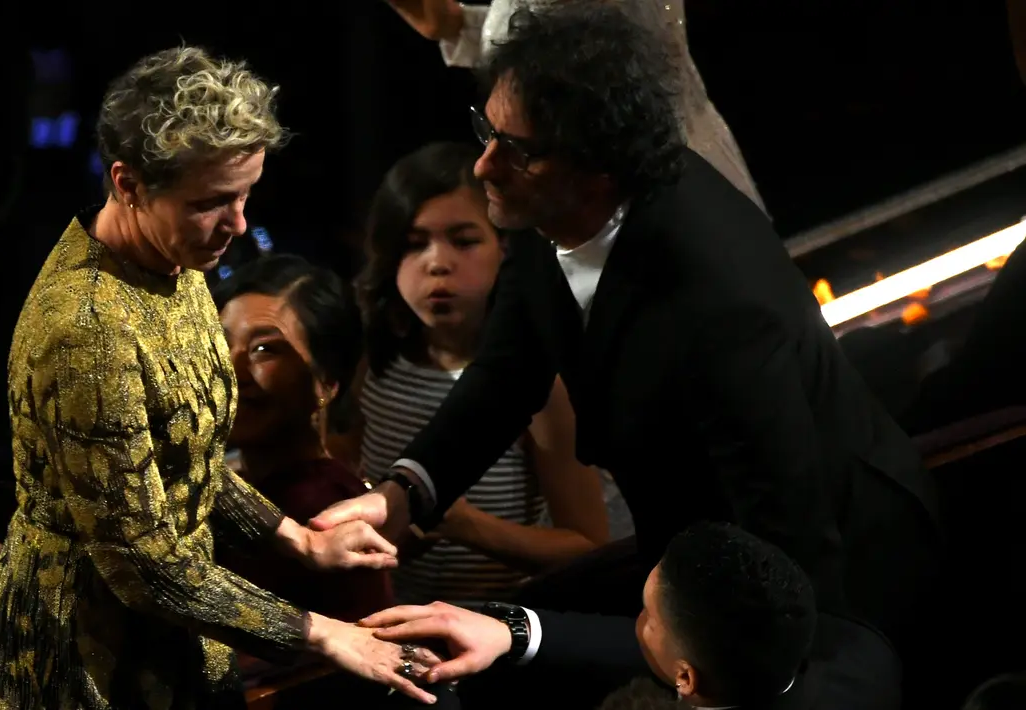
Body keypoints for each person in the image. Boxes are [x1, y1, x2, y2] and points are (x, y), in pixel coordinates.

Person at [313, 0, 939, 648]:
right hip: (699, 554)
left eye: (515, 150)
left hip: (839, 581)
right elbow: (506, 373)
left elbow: (786, 532)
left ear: (597, 172)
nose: (483, 166)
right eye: (485, 131)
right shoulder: (542, 202)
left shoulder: (717, 300)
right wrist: (403, 495)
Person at [0, 47, 441, 709]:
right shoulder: (89, 328)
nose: (236, 224)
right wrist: (323, 633)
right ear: (127, 184)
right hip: (78, 665)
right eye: (210, 203)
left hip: (163, 640)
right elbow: (143, 564)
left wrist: (303, 542)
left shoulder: (171, 262)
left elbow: (188, 456)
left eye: (244, 196)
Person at [353, 141, 611, 605]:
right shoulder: (375, 361)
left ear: (504, 248)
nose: (437, 263)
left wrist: (461, 522)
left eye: (464, 240)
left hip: (494, 631)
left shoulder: (537, 386)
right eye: (413, 245)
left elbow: (589, 546)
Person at [363, 523, 903, 710]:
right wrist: (514, 631)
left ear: (686, 678)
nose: (635, 623)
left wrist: (413, 682)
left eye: (645, 616)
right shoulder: (864, 658)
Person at [381, 0, 766, 212]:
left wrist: (464, 28)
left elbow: (558, 57)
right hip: (658, 173)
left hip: (644, 193)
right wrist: (458, 25)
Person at [213, 254, 394, 623]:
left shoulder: (326, 510)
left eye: (264, 349)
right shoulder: (235, 484)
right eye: (218, 342)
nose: (229, 371)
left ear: (325, 383)